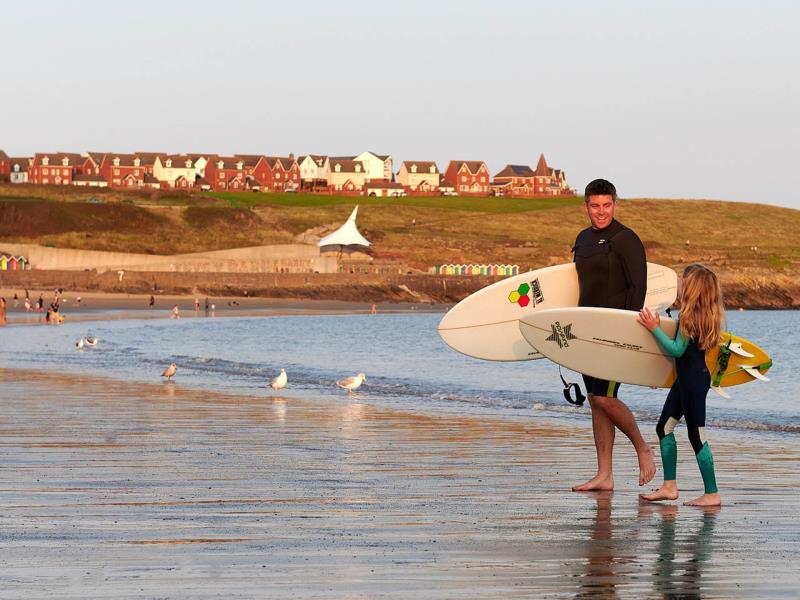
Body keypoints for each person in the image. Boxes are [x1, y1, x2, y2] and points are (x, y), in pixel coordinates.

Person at [572, 178, 655, 491]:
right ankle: (604, 475)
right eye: (595, 206)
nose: (601, 211)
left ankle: (642, 449)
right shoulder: (582, 239)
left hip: (613, 331)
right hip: (585, 331)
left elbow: (639, 287)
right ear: (587, 206)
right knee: (595, 401)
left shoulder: (625, 238)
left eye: (607, 205)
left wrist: (629, 334)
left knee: (605, 397)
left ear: (615, 204)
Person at [637, 264, 724, 506]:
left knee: (696, 435)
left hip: (692, 384)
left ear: (692, 288)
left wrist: (654, 328)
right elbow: (684, 358)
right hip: (689, 380)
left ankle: (712, 493)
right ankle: (669, 486)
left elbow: (676, 349)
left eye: (683, 282)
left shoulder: (688, 317)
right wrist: (661, 377)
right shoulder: (705, 316)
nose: (680, 286)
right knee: (663, 427)